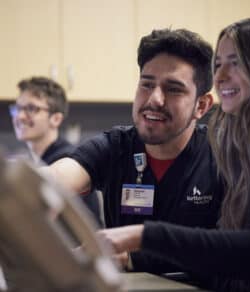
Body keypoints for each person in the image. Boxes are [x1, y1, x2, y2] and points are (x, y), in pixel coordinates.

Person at [97, 17, 250, 292]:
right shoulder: (243, 140)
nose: (220, 77)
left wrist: (142, 236)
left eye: (236, 63)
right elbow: (225, 257)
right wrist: (135, 257)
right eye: (218, 64)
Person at [47, 28, 223, 273]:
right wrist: (32, 195)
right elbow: (60, 176)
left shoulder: (222, 157)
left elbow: (229, 251)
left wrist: (129, 258)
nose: (155, 99)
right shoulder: (116, 146)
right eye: (147, 84)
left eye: (173, 89)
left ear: (201, 106)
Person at [9, 76, 102, 225]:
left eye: (31, 109)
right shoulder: (35, 158)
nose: (19, 116)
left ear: (56, 119)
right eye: (17, 108)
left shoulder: (68, 161)